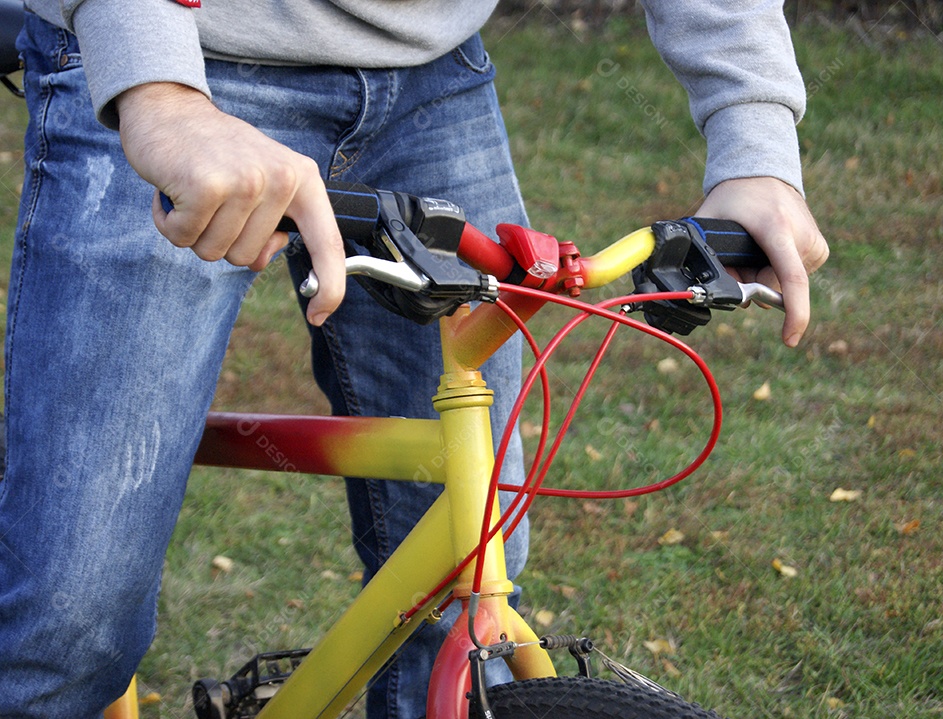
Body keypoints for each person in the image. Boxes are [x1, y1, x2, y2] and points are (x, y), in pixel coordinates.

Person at [0, 1, 829, 717]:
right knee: (70, 624)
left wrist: (755, 141)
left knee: (464, 568)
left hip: (429, 71)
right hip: (179, 54)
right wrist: (159, 89)